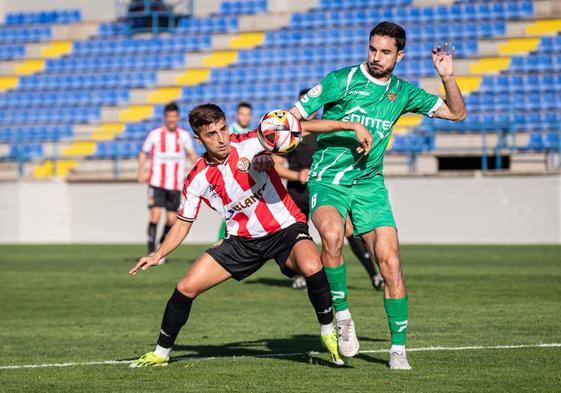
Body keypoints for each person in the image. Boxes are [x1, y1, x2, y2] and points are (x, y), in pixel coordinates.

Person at [128, 103, 372, 368]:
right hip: (241, 242)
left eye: (223, 129)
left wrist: (351, 126)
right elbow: (182, 224)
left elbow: (301, 126)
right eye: (212, 134)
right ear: (198, 139)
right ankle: (161, 353)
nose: (221, 138)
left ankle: (328, 333)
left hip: (285, 230)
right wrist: (157, 254)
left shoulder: (251, 140)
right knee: (185, 287)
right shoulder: (196, 178)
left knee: (313, 266)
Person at [289, 21, 467, 369]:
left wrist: (447, 76)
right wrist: (347, 124)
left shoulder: (402, 93)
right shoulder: (340, 80)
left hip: (369, 185)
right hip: (328, 178)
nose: (376, 57)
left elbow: (457, 113)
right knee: (331, 235)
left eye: (385, 52)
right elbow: (293, 121)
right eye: (372, 49)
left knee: (392, 263)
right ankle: (343, 318)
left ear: (400, 55)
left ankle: (398, 350)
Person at [274, 89, 384, 291]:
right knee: (299, 232)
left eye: (313, 105)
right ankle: (301, 275)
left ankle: (374, 275)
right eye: (305, 105)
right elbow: (277, 165)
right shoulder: (292, 133)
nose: (309, 109)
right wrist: (297, 175)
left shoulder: (326, 128)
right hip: (298, 191)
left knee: (348, 230)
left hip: (326, 187)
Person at [138, 102, 199, 263]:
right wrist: (141, 171)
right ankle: (152, 251)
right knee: (155, 215)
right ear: (165, 117)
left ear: (177, 117)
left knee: (172, 220)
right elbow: (143, 153)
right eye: (169, 117)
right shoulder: (155, 134)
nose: (172, 120)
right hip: (156, 182)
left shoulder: (184, 136)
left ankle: (160, 248)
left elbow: (192, 154)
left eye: (174, 117)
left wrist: (199, 168)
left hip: (175, 184)